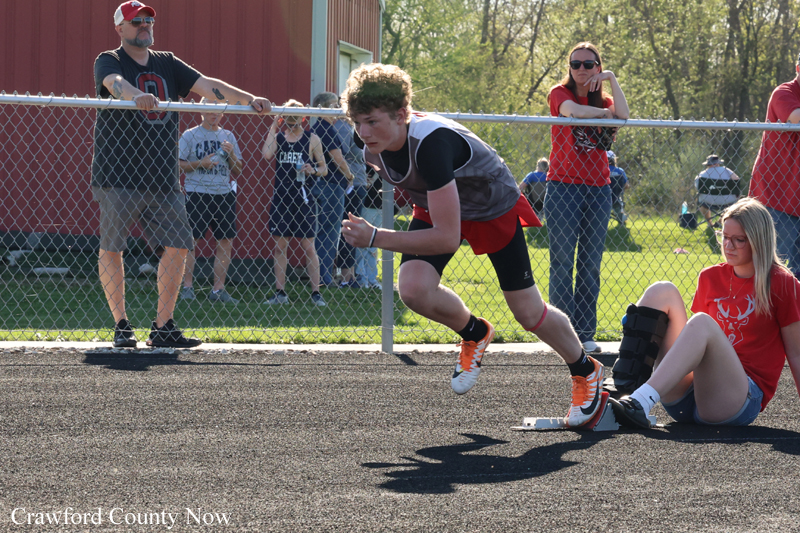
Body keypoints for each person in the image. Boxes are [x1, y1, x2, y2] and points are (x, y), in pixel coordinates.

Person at [340, 63, 606, 427]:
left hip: (490, 206)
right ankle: (475, 332)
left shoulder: (432, 144)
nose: (363, 131)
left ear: (402, 114)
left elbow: (446, 237)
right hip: (440, 202)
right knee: (414, 290)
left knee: (528, 313)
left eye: (371, 121)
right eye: (357, 121)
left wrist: (375, 237)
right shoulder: (369, 137)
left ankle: (585, 368)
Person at [92, 1, 271, 348]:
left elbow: (208, 85)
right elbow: (113, 83)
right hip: (118, 173)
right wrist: (136, 95)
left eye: (148, 20)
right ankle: (121, 326)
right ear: (120, 29)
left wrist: (251, 99)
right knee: (113, 247)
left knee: (178, 245)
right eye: (136, 21)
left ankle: (163, 326)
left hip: (162, 175)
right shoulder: (109, 59)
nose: (144, 25)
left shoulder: (167, 62)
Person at [609, 198, 800, 428]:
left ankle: (641, 400)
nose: (728, 246)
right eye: (724, 237)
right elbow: (692, 346)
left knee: (702, 323)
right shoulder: (709, 277)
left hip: (737, 401)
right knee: (662, 290)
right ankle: (621, 392)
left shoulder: (782, 283)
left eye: (739, 240)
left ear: (759, 241)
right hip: (689, 398)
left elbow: (796, 354)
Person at [545, 42, 630, 354]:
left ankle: (585, 332)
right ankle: (561, 335)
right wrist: (603, 114)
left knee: (590, 264)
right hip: (562, 188)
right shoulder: (559, 93)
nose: (581, 69)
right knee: (563, 262)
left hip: (598, 190)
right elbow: (574, 113)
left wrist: (611, 79)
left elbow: (624, 114)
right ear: (569, 68)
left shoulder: (604, 96)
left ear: (598, 67)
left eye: (589, 64)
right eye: (576, 64)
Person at [261, 100, 328, 307]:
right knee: (281, 245)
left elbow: (324, 168)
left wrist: (312, 170)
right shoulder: (280, 138)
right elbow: (266, 154)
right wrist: (274, 126)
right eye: (289, 119)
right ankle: (280, 292)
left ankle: (316, 293)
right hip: (282, 198)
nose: (292, 123)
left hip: (304, 199)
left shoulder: (311, 138)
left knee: (308, 246)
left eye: (296, 118)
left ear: (303, 117)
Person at [178, 99, 243, 305]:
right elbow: (178, 164)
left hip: (223, 194)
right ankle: (187, 287)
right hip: (197, 192)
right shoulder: (190, 135)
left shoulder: (228, 136)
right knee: (191, 241)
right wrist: (200, 163)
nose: (215, 115)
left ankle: (218, 289)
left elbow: (238, 170)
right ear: (202, 111)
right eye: (211, 111)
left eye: (219, 111)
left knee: (225, 241)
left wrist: (231, 153)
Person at [749, 53, 800, 278]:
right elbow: (796, 117)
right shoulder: (784, 92)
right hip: (777, 200)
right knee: (770, 271)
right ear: (798, 67)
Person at [310, 92, 355, 286]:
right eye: (333, 105)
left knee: (321, 231)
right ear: (321, 108)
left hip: (320, 185)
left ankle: (320, 276)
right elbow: (338, 158)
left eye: (338, 105)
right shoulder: (325, 129)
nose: (338, 109)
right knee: (329, 232)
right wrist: (350, 176)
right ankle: (324, 278)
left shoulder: (317, 128)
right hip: (331, 186)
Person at [333, 111, 369, 288]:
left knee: (352, 229)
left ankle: (350, 275)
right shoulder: (341, 126)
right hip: (349, 185)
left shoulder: (355, 125)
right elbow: (340, 154)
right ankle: (346, 277)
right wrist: (350, 176)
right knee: (347, 229)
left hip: (359, 183)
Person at [695, 154, 739, 227]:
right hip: (728, 200)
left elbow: (698, 187)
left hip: (708, 201)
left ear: (708, 164)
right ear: (717, 163)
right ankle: (720, 221)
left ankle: (709, 223)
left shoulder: (702, 175)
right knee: (731, 206)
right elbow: (736, 179)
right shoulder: (726, 170)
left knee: (701, 203)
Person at [358, 167, 384, 289]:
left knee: (374, 244)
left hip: (383, 204)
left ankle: (372, 279)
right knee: (364, 242)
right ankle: (362, 278)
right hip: (367, 203)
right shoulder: (369, 158)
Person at [607, 151, 629, 224]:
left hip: (602, 198)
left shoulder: (600, 170)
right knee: (617, 203)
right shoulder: (620, 171)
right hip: (616, 198)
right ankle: (621, 218)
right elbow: (626, 186)